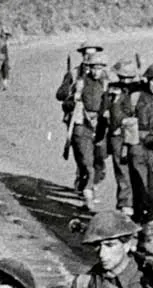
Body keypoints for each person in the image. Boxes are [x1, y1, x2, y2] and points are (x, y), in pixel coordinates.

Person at [55, 44, 112, 206]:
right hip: (80, 122)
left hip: (100, 125)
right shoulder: (75, 75)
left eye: (93, 55)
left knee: (99, 159)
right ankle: (87, 190)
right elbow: (61, 96)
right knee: (85, 159)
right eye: (86, 55)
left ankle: (89, 183)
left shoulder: (107, 80)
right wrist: (72, 96)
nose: (89, 58)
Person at [120, 63, 153, 224]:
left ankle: (147, 220)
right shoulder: (135, 98)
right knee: (141, 188)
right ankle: (141, 225)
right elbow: (121, 118)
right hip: (138, 148)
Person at [102, 60, 142, 215]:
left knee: (136, 169)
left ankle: (135, 204)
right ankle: (125, 203)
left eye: (129, 78)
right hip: (118, 134)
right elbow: (105, 110)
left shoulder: (140, 90)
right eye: (122, 77)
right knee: (122, 170)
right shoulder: (113, 90)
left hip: (135, 134)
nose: (126, 81)